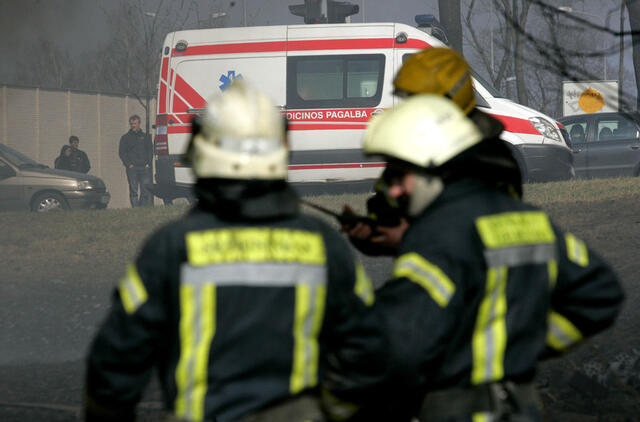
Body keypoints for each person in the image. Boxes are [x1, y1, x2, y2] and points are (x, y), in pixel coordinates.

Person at [84, 81, 388, 422]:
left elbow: (115, 360)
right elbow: (369, 352)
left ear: (203, 149)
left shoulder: (172, 247)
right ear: (281, 149)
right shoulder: (324, 246)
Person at [360, 94, 624, 421]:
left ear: (435, 167)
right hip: (520, 404)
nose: (394, 191)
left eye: (400, 176)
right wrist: (526, 345)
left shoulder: (440, 235)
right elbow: (601, 293)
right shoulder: (528, 219)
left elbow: (399, 346)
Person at [345, 47, 520, 257]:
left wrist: (407, 237)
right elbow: (385, 212)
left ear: (451, 97)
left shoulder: (492, 161)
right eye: (408, 97)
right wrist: (369, 232)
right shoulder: (410, 149)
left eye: (417, 99)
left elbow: (477, 236)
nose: (410, 106)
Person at [119, 114, 153, 207]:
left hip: (144, 167)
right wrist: (128, 164)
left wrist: (148, 163)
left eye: (135, 123)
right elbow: (122, 153)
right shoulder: (125, 137)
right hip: (132, 168)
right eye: (131, 124)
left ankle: (142, 209)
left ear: (139, 123)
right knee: (134, 190)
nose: (133, 125)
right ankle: (135, 209)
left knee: (145, 190)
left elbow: (150, 150)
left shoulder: (146, 136)